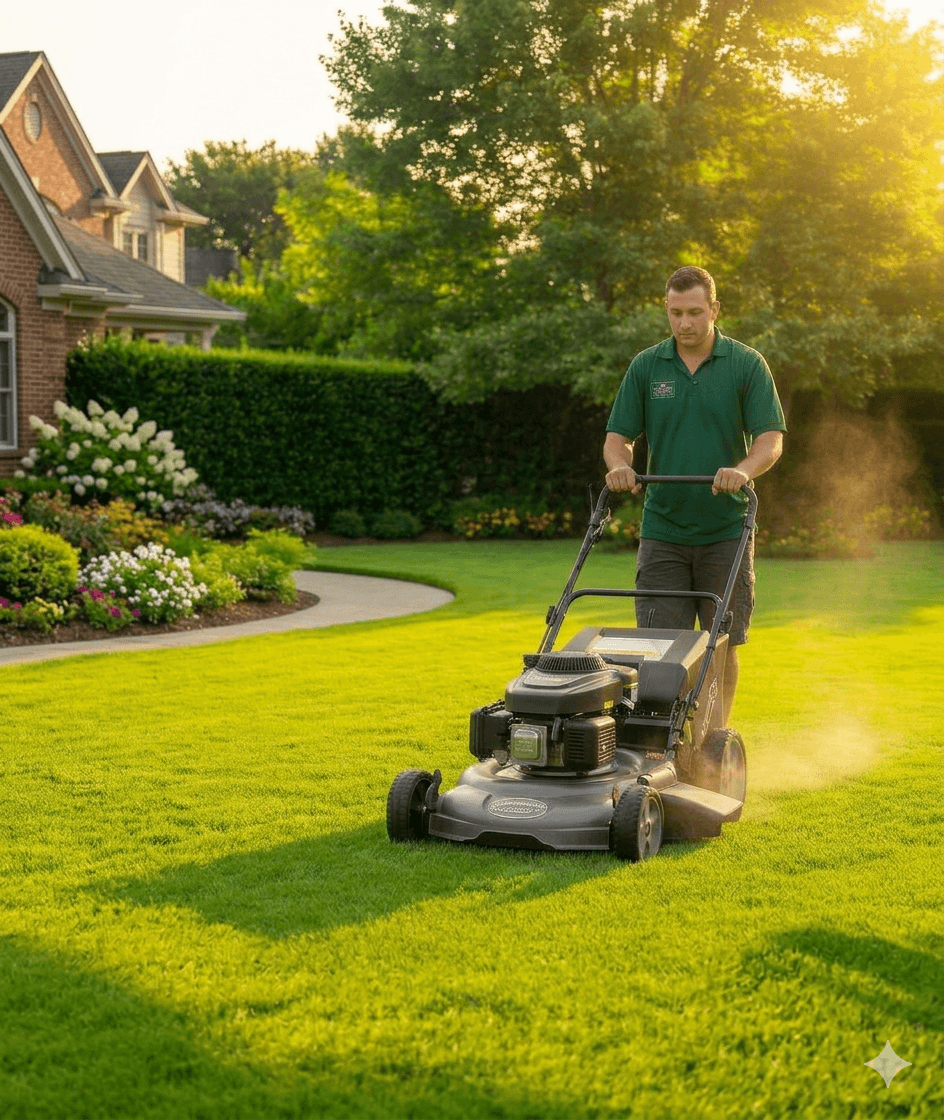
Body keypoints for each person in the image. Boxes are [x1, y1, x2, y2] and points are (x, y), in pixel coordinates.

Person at [603, 266, 786, 724]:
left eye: (695, 312)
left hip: (725, 529)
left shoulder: (745, 364)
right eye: (676, 312)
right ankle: (664, 739)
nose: (685, 323)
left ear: (715, 310)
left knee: (720, 643)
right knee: (661, 645)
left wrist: (742, 471)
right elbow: (617, 437)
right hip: (663, 527)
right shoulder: (647, 366)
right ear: (666, 310)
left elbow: (770, 439)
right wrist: (621, 467)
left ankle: (714, 742)